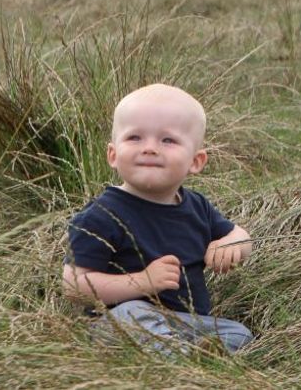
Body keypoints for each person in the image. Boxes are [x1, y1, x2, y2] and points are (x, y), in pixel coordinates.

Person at [62, 83, 253, 353]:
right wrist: (143, 282)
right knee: (134, 315)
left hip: (184, 322)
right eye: (135, 138)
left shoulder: (197, 206)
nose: (150, 148)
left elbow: (241, 235)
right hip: (117, 321)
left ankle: (192, 355)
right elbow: (74, 285)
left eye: (168, 140)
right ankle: (183, 361)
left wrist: (231, 244)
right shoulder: (101, 215)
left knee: (238, 333)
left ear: (195, 161)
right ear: (113, 155)